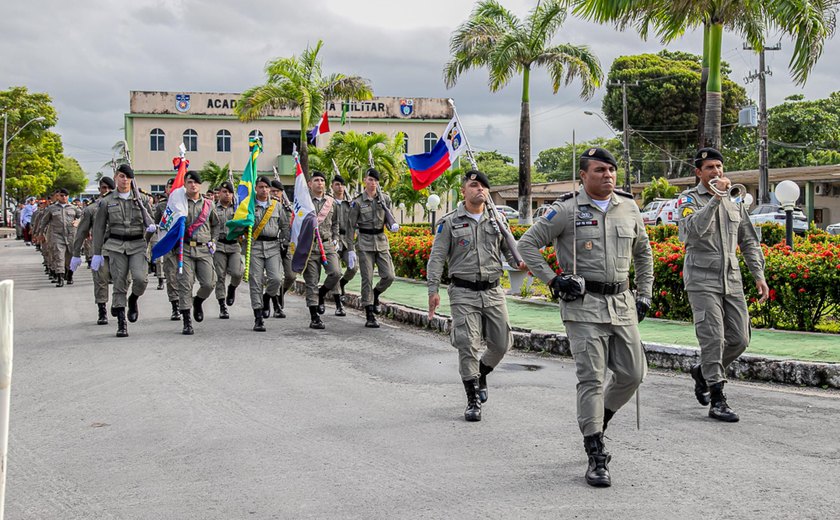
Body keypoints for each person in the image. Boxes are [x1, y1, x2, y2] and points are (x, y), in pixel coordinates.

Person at [518, 147, 654, 488]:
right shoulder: (564, 210)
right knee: (591, 378)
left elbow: (644, 253)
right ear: (583, 175)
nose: (607, 175)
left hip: (621, 303)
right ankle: (595, 451)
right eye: (599, 170)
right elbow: (527, 245)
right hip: (583, 306)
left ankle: (600, 418)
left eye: (611, 169)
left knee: (633, 374)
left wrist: (645, 294)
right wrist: (553, 280)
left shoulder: (629, 207)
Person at [678, 148, 769, 422]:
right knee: (713, 338)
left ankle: (702, 372)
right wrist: (716, 198)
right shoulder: (688, 199)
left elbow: (749, 240)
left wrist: (759, 275)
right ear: (698, 172)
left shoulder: (735, 200)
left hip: (731, 277)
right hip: (701, 278)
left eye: (719, 166)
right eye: (709, 168)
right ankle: (717, 399)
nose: (716, 171)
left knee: (741, 339)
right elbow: (692, 232)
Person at [427, 170, 526, 422]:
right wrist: (433, 290)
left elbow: (511, 250)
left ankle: (480, 374)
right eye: (473, 185)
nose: (479, 189)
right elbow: (437, 257)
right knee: (467, 344)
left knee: (502, 343)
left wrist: (522, 262)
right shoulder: (449, 222)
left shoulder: (498, 220)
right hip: (463, 292)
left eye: (483, 186)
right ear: (463, 191)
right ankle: (472, 400)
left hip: (493, 291)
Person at [91, 164, 156, 337]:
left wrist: (150, 229)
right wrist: (97, 253)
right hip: (116, 245)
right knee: (119, 281)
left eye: (127, 176)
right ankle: (121, 322)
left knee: (141, 279)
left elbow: (150, 222)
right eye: (121, 176)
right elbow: (98, 229)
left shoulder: (141, 200)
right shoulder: (106, 201)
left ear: (132, 179)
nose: (124, 179)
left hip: (137, 245)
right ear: (115, 178)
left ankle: (133, 299)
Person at [348, 168, 398, 328]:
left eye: (375, 180)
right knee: (367, 278)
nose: (373, 183)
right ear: (365, 181)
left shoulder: (385, 199)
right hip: (364, 243)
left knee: (389, 275)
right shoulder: (357, 202)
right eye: (370, 180)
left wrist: (393, 225)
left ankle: (376, 294)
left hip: (381, 241)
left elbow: (390, 218)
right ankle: (369, 313)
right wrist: (350, 249)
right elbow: (350, 226)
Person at [177, 171, 220, 335]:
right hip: (185, 248)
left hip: (204, 249)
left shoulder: (209, 204)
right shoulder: (179, 203)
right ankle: (187, 321)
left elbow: (216, 225)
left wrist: (213, 241)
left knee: (209, 283)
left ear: (200, 185)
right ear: (185, 184)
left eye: (195, 182)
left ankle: (198, 302)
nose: (192, 185)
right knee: (185, 284)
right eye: (189, 182)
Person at [70, 177, 115, 324]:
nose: (106, 191)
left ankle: (118, 305)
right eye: (103, 188)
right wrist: (76, 253)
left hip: (118, 249)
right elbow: (82, 231)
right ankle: (102, 310)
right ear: (99, 190)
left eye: (109, 188)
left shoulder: (121, 205)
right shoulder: (91, 209)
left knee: (123, 280)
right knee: (100, 280)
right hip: (100, 249)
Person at [301, 170, 341, 329]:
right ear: (310, 184)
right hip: (309, 245)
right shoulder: (304, 202)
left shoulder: (331, 203)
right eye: (316, 180)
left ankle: (322, 293)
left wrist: (336, 238)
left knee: (336, 273)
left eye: (322, 180)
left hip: (327, 243)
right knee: (311, 281)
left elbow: (336, 223)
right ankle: (314, 316)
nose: (319, 183)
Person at [247, 176, 288, 332]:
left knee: (276, 279)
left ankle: (267, 297)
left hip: (273, 246)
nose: (264, 190)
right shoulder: (249, 205)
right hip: (255, 246)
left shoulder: (276, 206)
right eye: (261, 187)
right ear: (256, 188)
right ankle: (258, 317)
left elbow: (284, 226)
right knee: (255, 281)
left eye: (267, 187)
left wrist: (285, 243)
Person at [37, 188, 82, 287]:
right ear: (58, 196)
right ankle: (60, 278)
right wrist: (41, 233)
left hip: (71, 235)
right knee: (59, 256)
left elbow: (82, 217)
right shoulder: (52, 208)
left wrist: (78, 221)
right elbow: (44, 222)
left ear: (68, 197)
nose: (64, 197)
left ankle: (69, 275)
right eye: (62, 195)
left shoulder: (74, 208)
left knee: (70, 257)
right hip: (57, 235)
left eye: (66, 195)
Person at [327, 174, 357, 316]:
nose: (339, 187)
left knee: (353, 268)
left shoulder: (349, 203)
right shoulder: (328, 202)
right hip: (333, 239)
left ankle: (342, 284)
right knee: (336, 271)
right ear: (332, 186)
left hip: (347, 239)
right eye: (337, 184)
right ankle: (339, 305)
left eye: (342, 185)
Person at [213, 181, 243, 319]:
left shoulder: (237, 209)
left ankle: (232, 288)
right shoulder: (213, 209)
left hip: (234, 244)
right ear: (219, 193)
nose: (227, 194)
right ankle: (222, 306)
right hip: (219, 244)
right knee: (220, 276)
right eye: (224, 191)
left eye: (229, 192)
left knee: (237, 273)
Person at [154, 178, 181, 321]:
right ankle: (175, 305)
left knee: (185, 275)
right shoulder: (161, 206)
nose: (173, 189)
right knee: (171, 275)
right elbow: (157, 224)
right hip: (169, 244)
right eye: (170, 186)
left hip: (184, 244)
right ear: (166, 190)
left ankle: (186, 302)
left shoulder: (184, 203)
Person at [270, 179, 296, 317]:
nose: (275, 193)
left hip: (286, 246)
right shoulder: (266, 208)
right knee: (275, 277)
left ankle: (280, 293)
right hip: (271, 246)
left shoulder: (288, 209)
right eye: (272, 191)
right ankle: (276, 306)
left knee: (291, 276)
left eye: (277, 191)